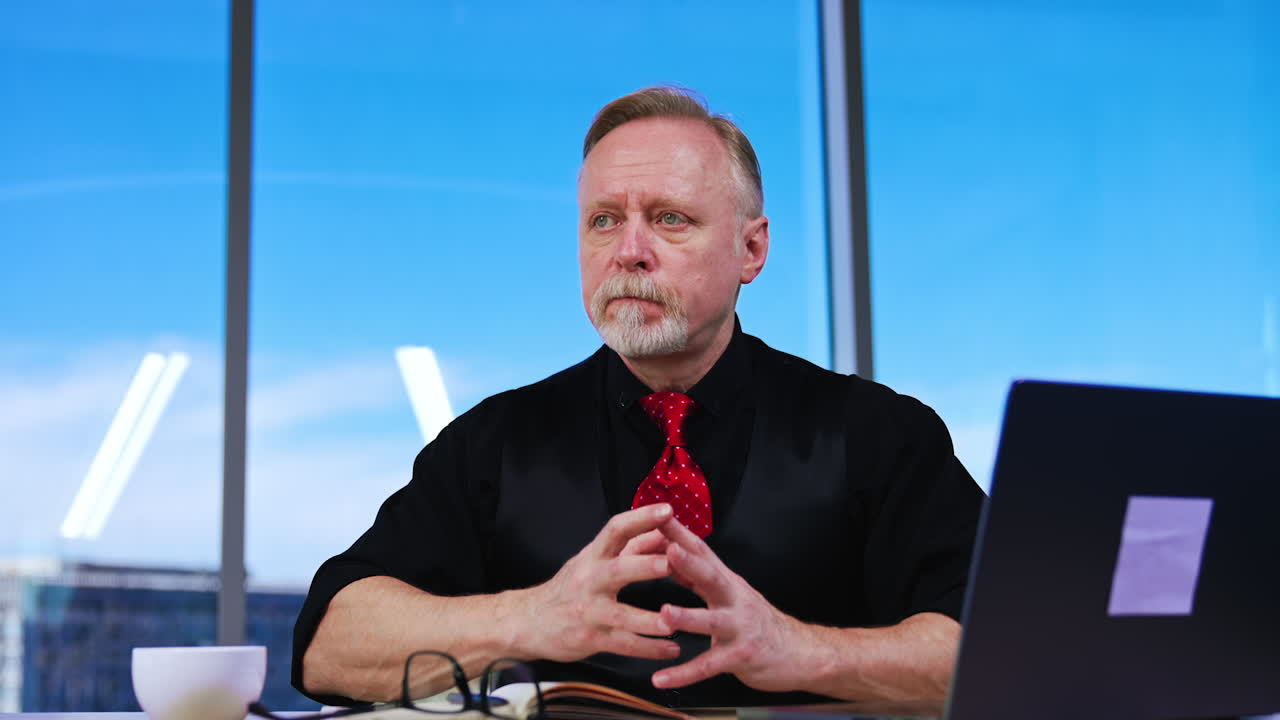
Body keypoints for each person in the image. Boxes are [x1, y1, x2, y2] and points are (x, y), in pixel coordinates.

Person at [292, 86, 985, 708]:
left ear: (751, 251)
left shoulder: (881, 434)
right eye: (602, 221)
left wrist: (804, 651)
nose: (629, 251)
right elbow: (329, 645)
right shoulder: (494, 442)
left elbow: (1000, 644)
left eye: (670, 219)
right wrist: (529, 619)